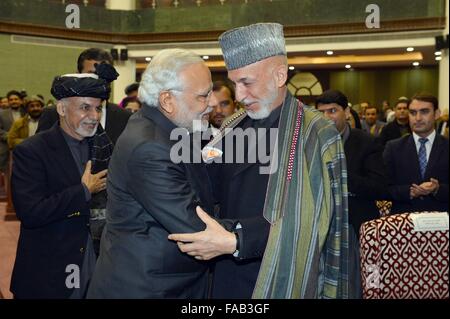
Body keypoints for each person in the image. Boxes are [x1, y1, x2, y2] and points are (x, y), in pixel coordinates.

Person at [169, 23, 355, 299]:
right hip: (227, 274)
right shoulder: (233, 126)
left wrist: (236, 240)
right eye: (235, 83)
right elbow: (206, 187)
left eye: (247, 82)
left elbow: (311, 224)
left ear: (280, 75)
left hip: (284, 275)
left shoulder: (316, 132)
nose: (239, 95)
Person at [87, 48, 215, 298]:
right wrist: (252, 234)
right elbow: (196, 229)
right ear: (167, 100)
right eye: (203, 96)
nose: (210, 103)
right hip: (148, 287)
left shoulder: (163, 127)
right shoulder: (151, 147)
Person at [10, 68, 115, 298]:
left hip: (96, 261)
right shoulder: (32, 151)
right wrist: (83, 191)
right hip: (50, 269)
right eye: (85, 107)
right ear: (61, 108)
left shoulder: (102, 147)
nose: (94, 116)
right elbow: (31, 212)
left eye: (98, 108)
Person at [316, 90, 389, 233]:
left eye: (332, 111)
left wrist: (340, 174)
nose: (326, 117)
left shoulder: (368, 143)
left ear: (347, 112)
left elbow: (379, 188)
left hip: (356, 225)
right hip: (320, 226)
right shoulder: (309, 143)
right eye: (321, 113)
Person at [37, 48, 131, 145]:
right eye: (92, 75)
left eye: (104, 76)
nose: (98, 81)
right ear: (78, 74)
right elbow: (39, 152)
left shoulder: (125, 118)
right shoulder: (53, 114)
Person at [383, 93, 448, 214]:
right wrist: (409, 191)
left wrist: (438, 189)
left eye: (424, 112)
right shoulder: (393, 147)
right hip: (404, 223)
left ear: (437, 114)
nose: (417, 118)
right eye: (413, 113)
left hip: (442, 224)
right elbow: (383, 187)